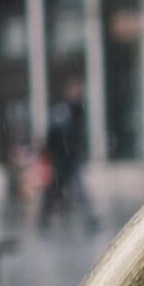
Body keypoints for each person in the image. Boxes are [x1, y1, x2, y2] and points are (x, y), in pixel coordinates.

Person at [39, 79, 97, 233]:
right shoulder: (63, 111)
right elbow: (54, 135)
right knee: (55, 189)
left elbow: (76, 135)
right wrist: (54, 153)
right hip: (62, 158)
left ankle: (88, 218)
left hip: (71, 158)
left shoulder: (78, 109)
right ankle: (43, 216)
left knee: (77, 189)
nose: (78, 94)